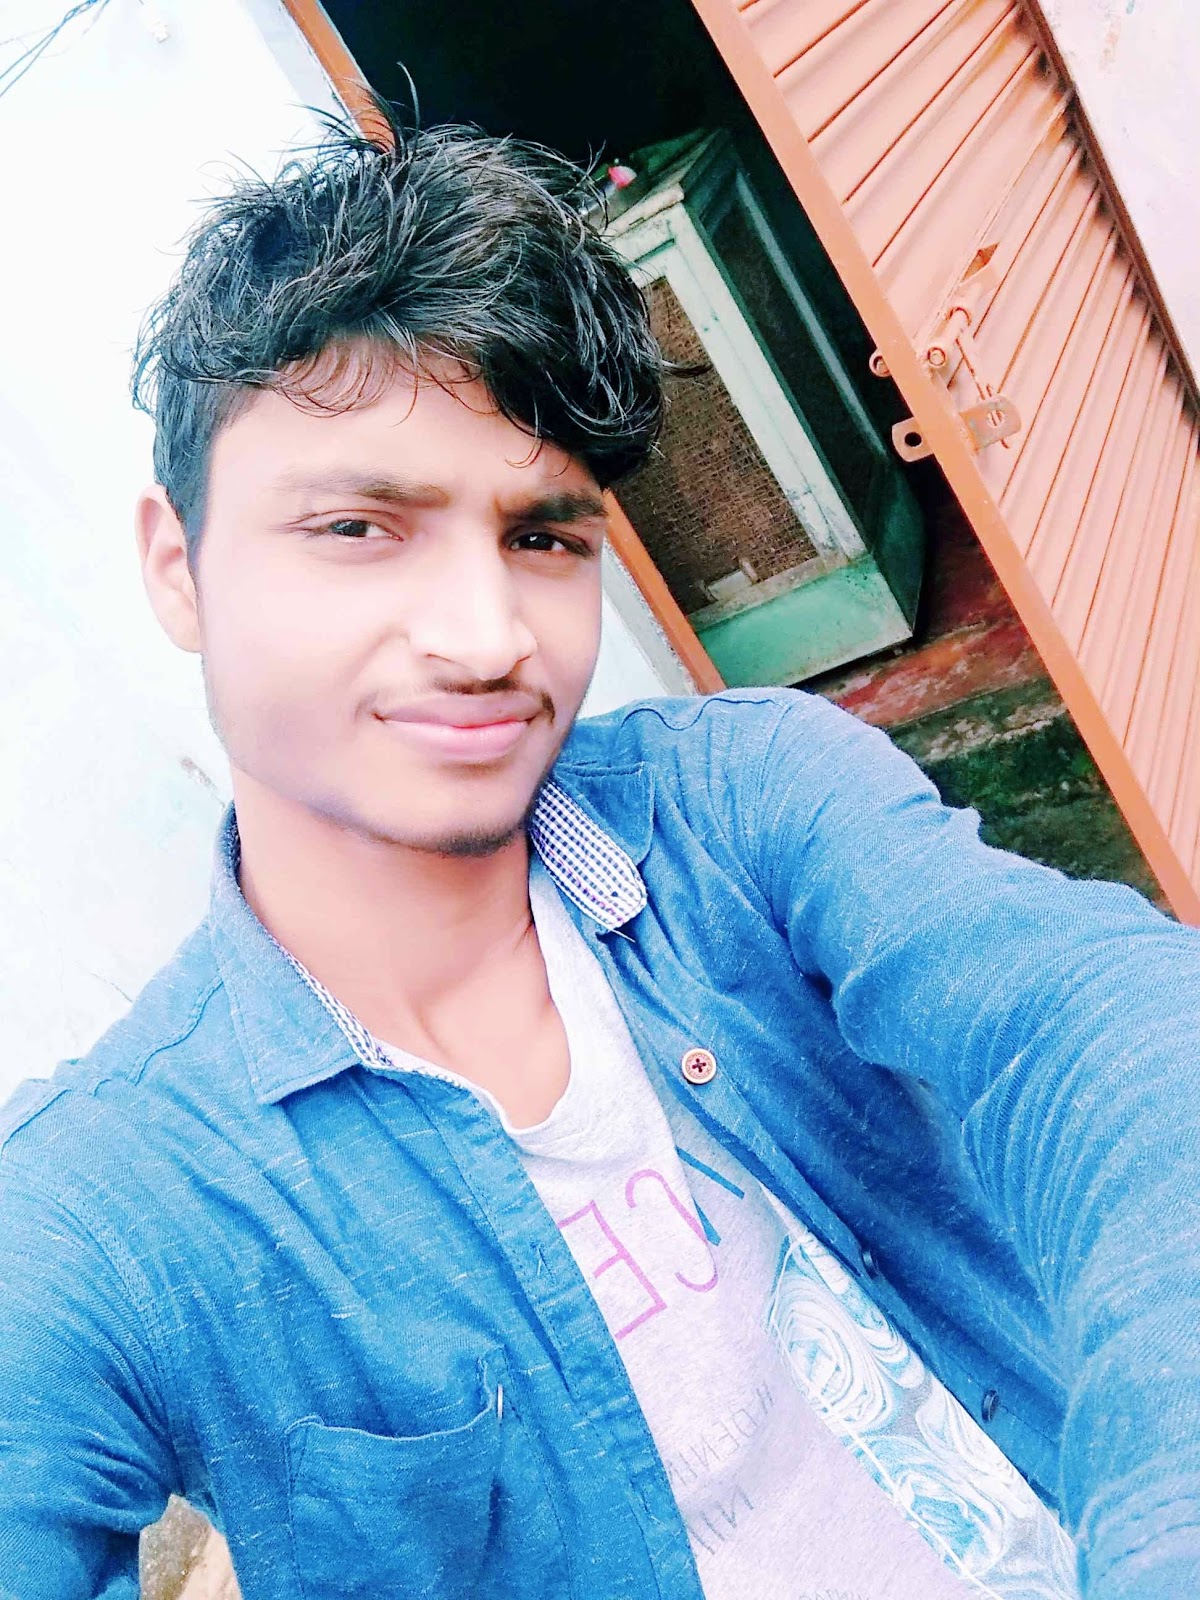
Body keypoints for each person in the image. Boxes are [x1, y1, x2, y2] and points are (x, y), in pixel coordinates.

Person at [1, 103, 1197, 1600]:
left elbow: (1112, 1035)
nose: (487, 638)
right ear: (179, 567)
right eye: (360, 528)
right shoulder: (111, 1203)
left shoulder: (739, 808)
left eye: (545, 539)